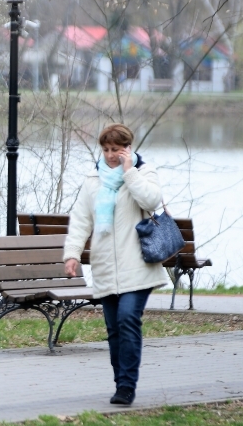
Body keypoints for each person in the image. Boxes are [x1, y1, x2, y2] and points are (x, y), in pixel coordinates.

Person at [64, 123, 167, 406]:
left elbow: (151, 199)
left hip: (138, 265)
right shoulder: (93, 179)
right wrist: (72, 254)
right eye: (106, 149)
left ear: (128, 148)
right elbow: (82, 220)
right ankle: (120, 380)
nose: (110, 155)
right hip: (105, 267)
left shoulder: (143, 171)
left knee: (127, 319)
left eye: (116, 149)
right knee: (113, 329)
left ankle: (126, 386)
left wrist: (128, 171)